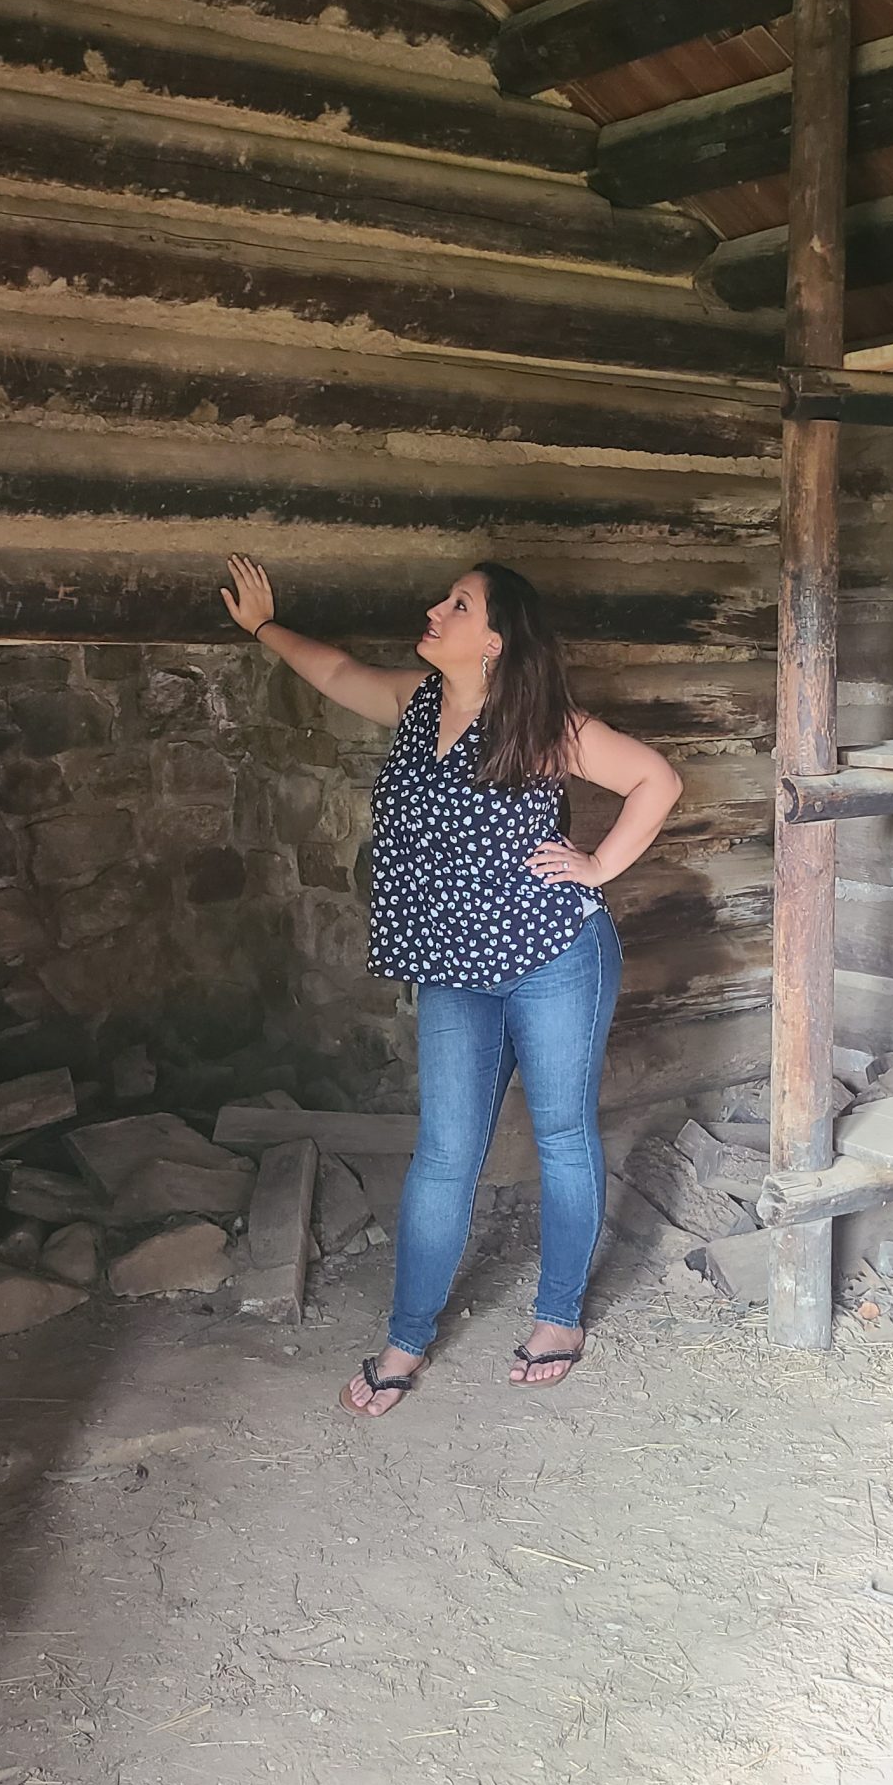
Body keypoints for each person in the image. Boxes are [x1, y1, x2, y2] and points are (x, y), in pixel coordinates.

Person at [220, 555, 683, 1418]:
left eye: (457, 604)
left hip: (555, 954)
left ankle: (559, 1319)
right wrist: (260, 627)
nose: (435, 608)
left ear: (495, 641)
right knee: (443, 1152)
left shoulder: (544, 724)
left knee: (563, 1134)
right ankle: (407, 1335)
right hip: (454, 969)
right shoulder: (413, 702)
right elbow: (332, 670)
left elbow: (656, 779)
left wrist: (597, 867)